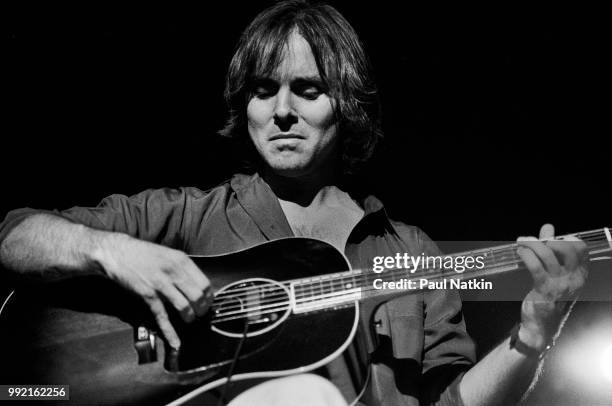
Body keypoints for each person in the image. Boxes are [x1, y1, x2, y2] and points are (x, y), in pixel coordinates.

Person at [0, 1, 588, 405]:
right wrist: (114, 251)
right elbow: (16, 237)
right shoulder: (189, 215)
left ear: (346, 106)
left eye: (307, 89)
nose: (282, 110)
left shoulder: (413, 254)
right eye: (263, 90)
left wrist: (535, 331)